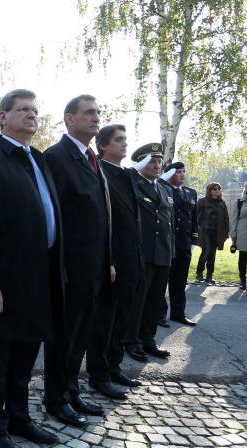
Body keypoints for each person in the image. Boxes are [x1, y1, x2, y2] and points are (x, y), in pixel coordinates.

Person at [0, 89, 63, 448]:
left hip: (40, 276)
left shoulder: (38, 159)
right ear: (2, 117)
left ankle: (19, 417)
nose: (31, 115)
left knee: (26, 353)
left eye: (35, 110)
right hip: (3, 282)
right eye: (22, 110)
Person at [42, 94, 112, 428]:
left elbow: (101, 216)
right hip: (69, 269)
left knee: (81, 335)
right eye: (88, 113)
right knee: (63, 337)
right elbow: (54, 216)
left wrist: (108, 261)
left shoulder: (91, 158)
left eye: (98, 113)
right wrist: (61, 267)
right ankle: (55, 398)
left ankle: (71, 390)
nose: (96, 118)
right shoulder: (56, 157)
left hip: (95, 268)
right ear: (69, 119)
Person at [86, 124, 143, 398]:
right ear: (104, 145)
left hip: (131, 258)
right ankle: (98, 374)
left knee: (121, 318)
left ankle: (114, 366)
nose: (124, 144)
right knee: (103, 321)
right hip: (111, 259)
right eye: (118, 140)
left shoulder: (127, 175)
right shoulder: (99, 172)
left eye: (125, 139)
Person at [122, 143, 174, 363]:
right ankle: (130, 341)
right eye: (152, 161)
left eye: (159, 161)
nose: (157, 165)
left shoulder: (164, 188)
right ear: (141, 163)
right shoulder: (132, 182)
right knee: (138, 300)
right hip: (142, 252)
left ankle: (147, 339)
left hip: (162, 252)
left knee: (154, 300)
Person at [159, 162, 198, 326]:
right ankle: (159, 314)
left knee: (180, 281)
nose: (183, 174)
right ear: (169, 174)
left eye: (184, 171)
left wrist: (194, 239)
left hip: (183, 242)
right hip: (167, 242)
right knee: (161, 282)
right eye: (178, 172)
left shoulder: (191, 192)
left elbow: (194, 218)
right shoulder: (162, 189)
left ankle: (178, 313)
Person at [195, 183, 229, 284]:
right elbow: (194, 216)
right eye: (215, 189)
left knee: (212, 254)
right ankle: (199, 272)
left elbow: (226, 219)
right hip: (204, 231)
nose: (217, 190)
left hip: (217, 232)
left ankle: (209, 275)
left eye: (219, 188)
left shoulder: (222, 203)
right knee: (207, 251)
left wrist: (226, 232)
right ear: (209, 190)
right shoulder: (202, 201)